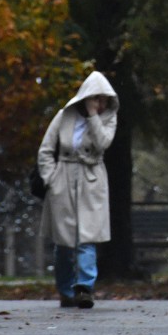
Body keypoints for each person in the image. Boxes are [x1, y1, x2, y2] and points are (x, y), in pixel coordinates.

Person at [37, 71, 119, 309]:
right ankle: (65, 289)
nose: (101, 103)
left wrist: (94, 115)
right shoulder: (64, 116)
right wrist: (51, 178)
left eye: (104, 99)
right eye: (96, 98)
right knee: (63, 241)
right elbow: (45, 150)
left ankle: (84, 287)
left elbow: (104, 143)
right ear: (86, 96)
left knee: (88, 236)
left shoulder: (108, 118)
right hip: (63, 178)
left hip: (91, 178)